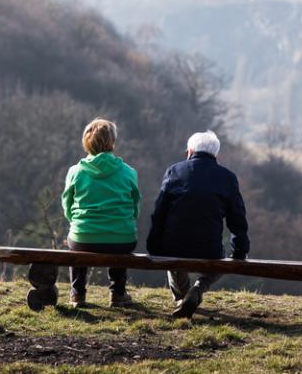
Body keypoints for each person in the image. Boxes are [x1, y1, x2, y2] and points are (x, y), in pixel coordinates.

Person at [146, 130, 249, 318]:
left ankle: (182, 297)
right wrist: (240, 250)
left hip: (173, 248)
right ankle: (198, 290)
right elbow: (237, 218)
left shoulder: (174, 171)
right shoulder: (227, 178)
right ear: (215, 155)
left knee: (172, 258)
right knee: (221, 259)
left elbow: (159, 212)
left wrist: (154, 246)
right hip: (208, 249)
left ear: (190, 151)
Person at [61, 118, 141, 308]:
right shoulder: (128, 172)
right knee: (119, 238)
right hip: (122, 237)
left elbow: (67, 205)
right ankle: (118, 294)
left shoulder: (75, 171)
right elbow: (135, 206)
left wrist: (80, 223)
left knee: (76, 243)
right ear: (112, 142)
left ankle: (77, 294)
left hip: (84, 237)